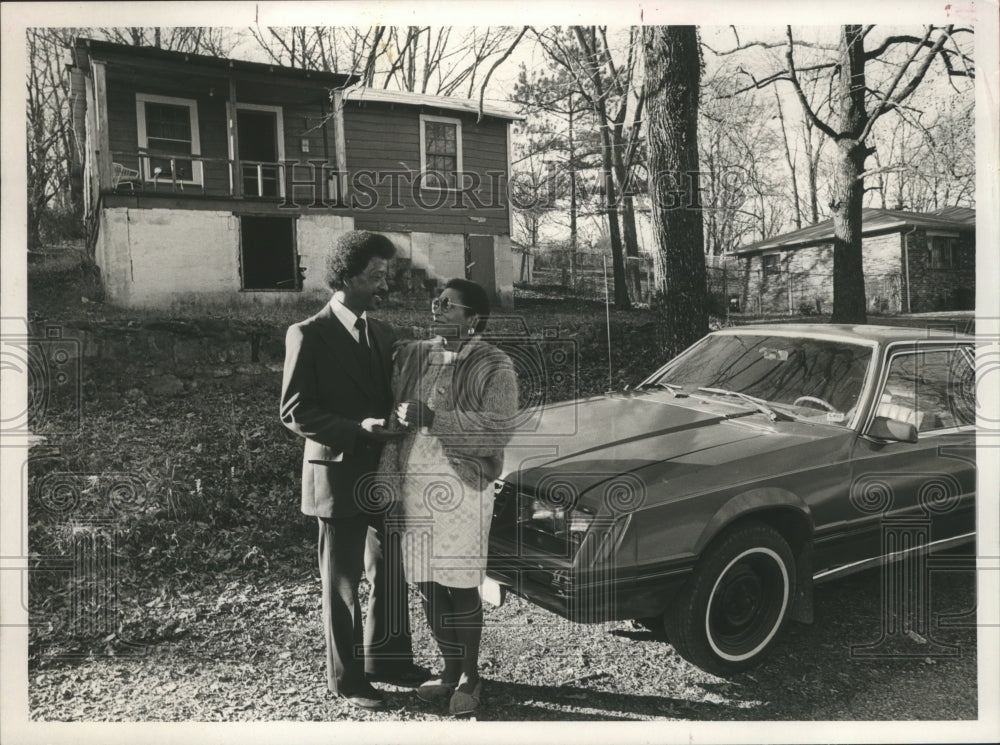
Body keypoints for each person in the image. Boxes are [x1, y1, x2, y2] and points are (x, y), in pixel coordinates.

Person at [279, 230, 427, 711]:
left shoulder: (382, 332)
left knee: (389, 569)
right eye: (375, 275)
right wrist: (355, 428)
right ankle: (346, 680)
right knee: (342, 584)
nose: (383, 284)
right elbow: (295, 411)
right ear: (345, 276)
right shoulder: (307, 333)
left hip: (382, 472)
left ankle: (387, 660)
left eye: (386, 274)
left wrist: (404, 412)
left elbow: (392, 395)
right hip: (336, 475)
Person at [383, 278, 519, 717]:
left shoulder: (495, 364)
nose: (436, 308)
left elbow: (498, 431)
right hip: (416, 486)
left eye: (447, 304)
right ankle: (447, 667)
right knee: (424, 580)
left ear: (473, 318)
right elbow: (397, 416)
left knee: (459, 583)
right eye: (435, 301)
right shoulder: (418, 355)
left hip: (462, 489)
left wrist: (435, 418)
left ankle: (470, 675)